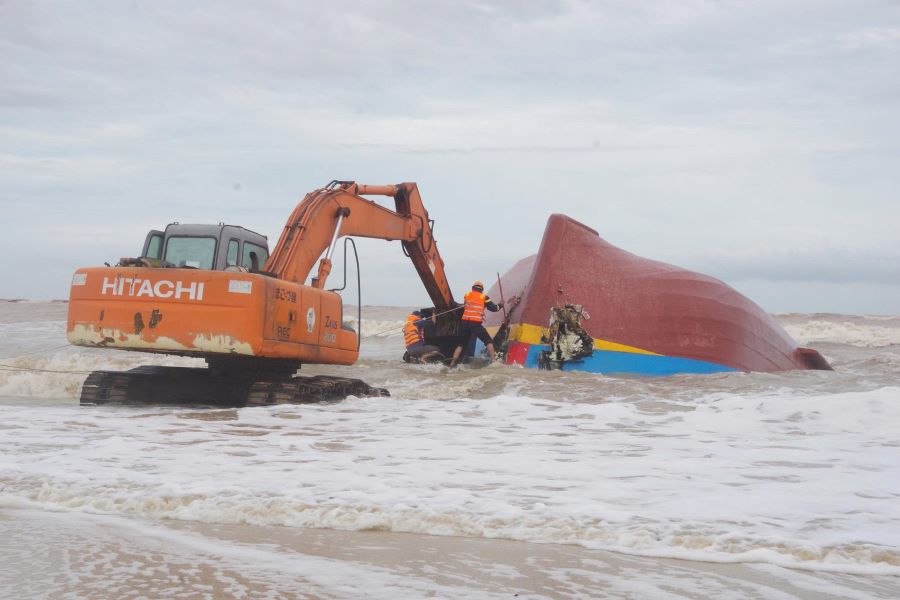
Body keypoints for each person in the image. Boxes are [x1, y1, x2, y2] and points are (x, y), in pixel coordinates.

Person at [450, 281, 503, 367]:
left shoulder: (467, 295)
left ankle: (452, 363)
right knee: (488, 341)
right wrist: (501, 304)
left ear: (472, 288)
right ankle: (494, 361)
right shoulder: (484, 297)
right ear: (482, 290)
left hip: (464, 323)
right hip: (475, 323)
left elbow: (468, 306)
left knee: (461, 344)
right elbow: (494, 308)